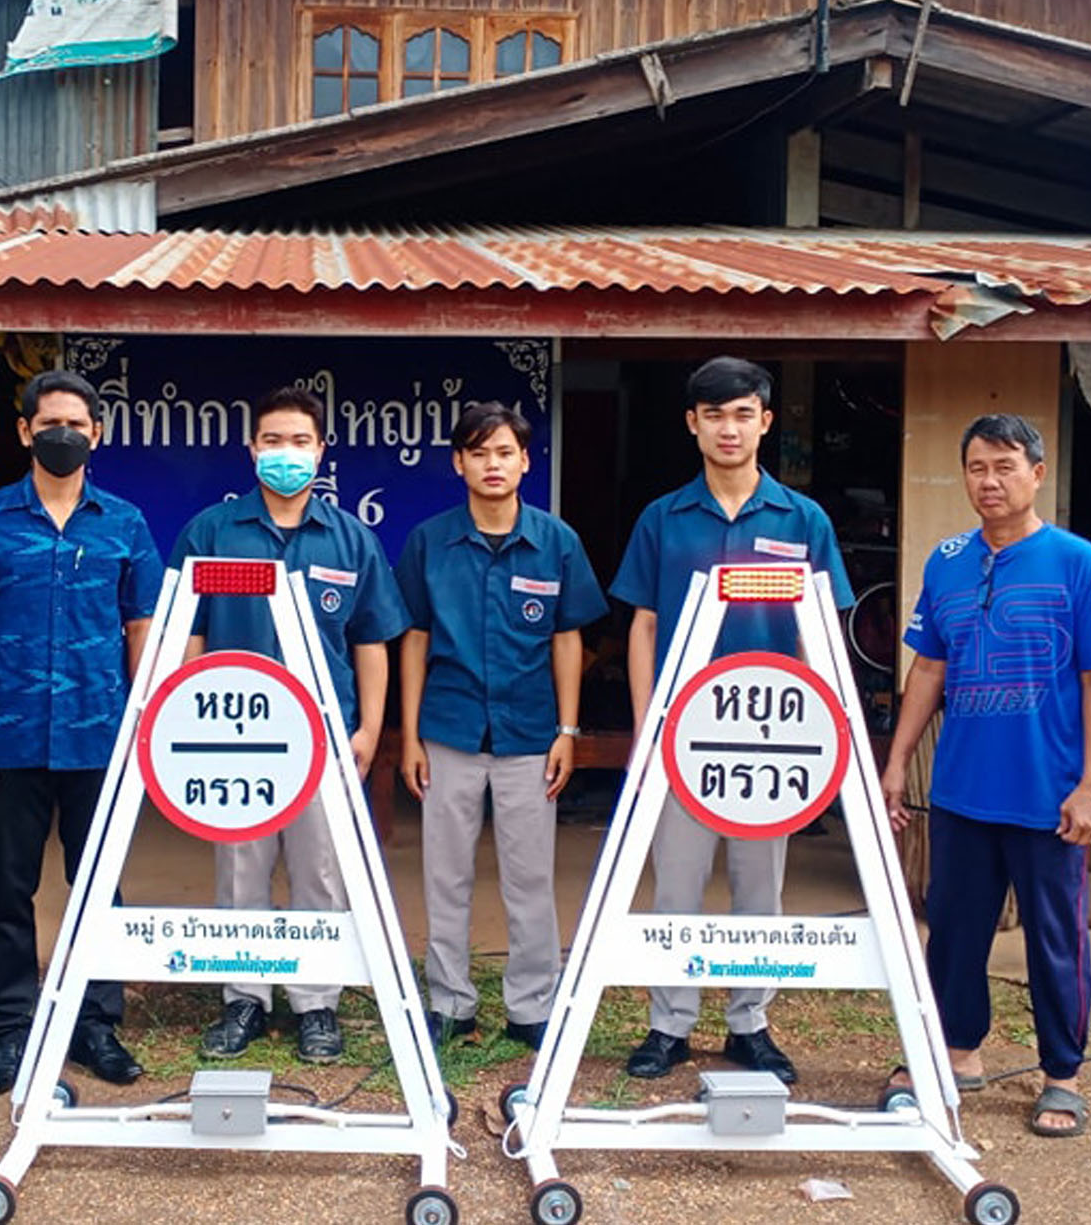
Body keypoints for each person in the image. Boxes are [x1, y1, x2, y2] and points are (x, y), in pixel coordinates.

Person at [881, 413, 1091, 1138]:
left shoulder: (1079, 563)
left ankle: (1062, 1074)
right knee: (954, 932)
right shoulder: (947, 561)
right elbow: (929, 666)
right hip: (962, 789)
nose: (989, 481)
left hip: (1048, 793)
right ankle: (958, 1054)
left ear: (1038, 474)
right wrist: (896, 762)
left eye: (1005, 466)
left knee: (1056, 937)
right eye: (977, 467)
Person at [609, 356, 852, 1086]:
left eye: (743, 413)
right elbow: (644, 626)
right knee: (675, 885)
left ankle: (750, 1021)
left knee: (759, 889)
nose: (729, 427)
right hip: (684, 736)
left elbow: (821, 631)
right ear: (692, 423)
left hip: (772, 742)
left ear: (766, 422)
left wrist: (824, 729)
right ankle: (668, 1025)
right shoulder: (663, 518)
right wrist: (647, 727)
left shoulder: (803, 519)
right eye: (714, 414)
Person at [0, 369, 163, 1093]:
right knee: (9, 886)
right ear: (25, 431)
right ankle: (10, 1028)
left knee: (99, 886)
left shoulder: (123, 522)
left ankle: (95, 1023)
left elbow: (142, 629)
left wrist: (144, 730)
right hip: (10, 739)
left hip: (101, 739)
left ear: (98, 433)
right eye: (49, 423)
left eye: (77, 423)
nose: (64, 434)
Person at [169, 385, 409, 1063]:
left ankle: (315, 1003)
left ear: (321, 451)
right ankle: (244, 997)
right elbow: (188, 633)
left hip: (323, 737)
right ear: (252, 450)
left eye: (299, 442)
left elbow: (372, 640)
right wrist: (189, 720)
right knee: (241, 869)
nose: (285, 454)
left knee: (320, 872)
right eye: (272, 441)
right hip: (234, 737)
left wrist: (368, 732)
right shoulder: (212, 532)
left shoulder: (350, 538)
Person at [396, 401, 607, 1051]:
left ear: (526, 461)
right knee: (446, 871)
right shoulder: (430, 541)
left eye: (505, 452)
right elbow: (413, 637)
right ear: (459, 462)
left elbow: (568, 639)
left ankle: (531, 1004)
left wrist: (568, 729)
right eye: (479, 452)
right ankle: (451, 1002)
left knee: (529, 875)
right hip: (450, 728)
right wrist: (408, 736)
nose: (493, 464)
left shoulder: (556, 541)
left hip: (530, 735)